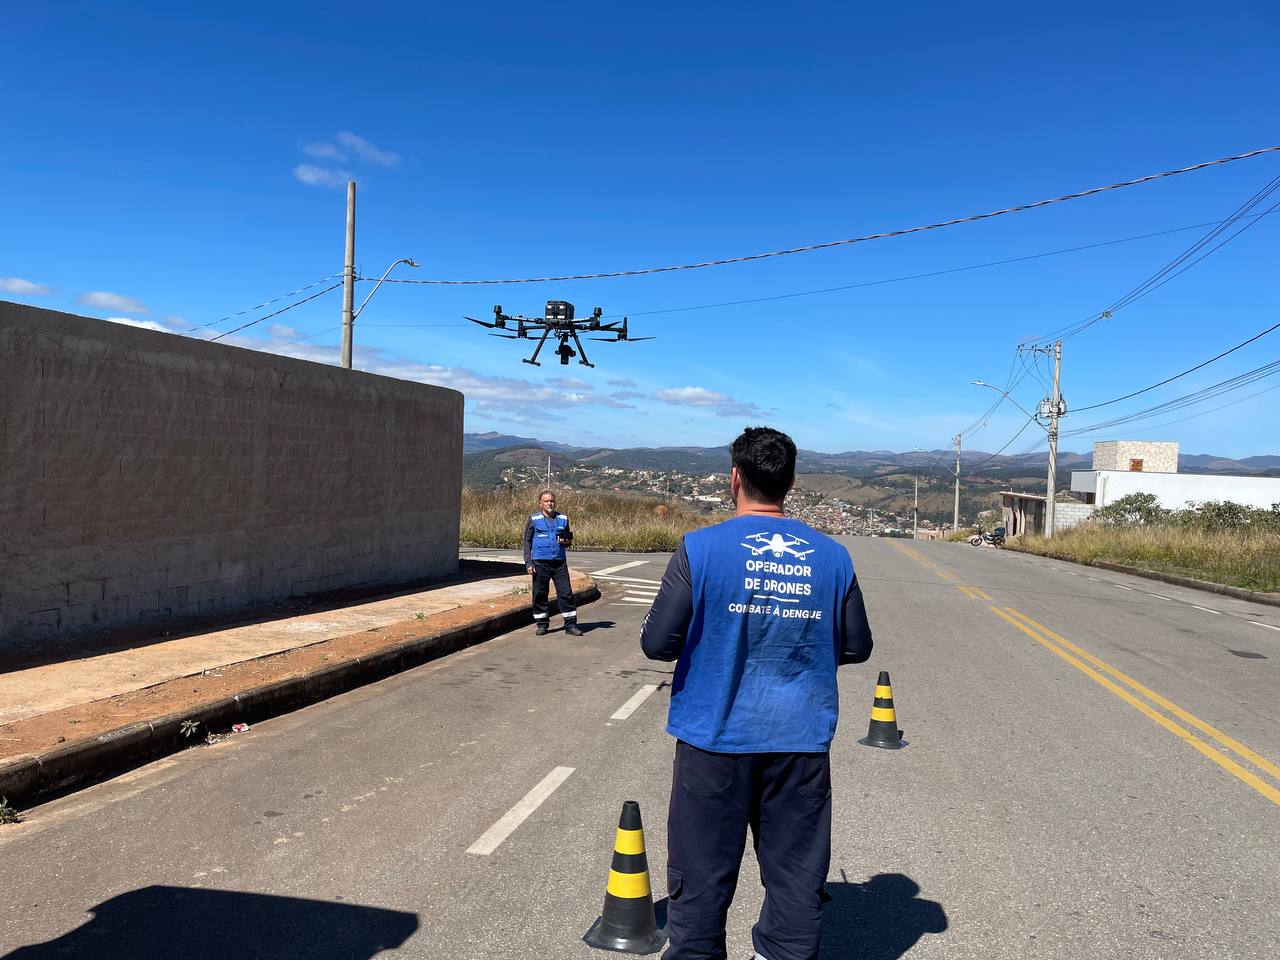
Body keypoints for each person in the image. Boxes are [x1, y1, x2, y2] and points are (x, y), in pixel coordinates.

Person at [640, 427, 874, 960]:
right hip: (800, 744)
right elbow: (857, 646)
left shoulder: (700, 548)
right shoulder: (834, 557)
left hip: (712, 742)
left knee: (700, 880)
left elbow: (657, 643)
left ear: (734, 479)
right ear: (790, 483)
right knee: (796, 880)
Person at [523, 490, 582, 636]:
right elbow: (527, 541)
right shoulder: (533, 519)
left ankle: (570, 625)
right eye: (546, 501)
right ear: (540, 503)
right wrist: (528, 563)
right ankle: (542, 624)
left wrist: (567, 542)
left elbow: (567, 540)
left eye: (552, 501)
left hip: (559, 563)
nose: (549, 503)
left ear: (555, 502)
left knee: (566, 594)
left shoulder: (563, 518)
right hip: (540, 563)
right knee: (540, 594)